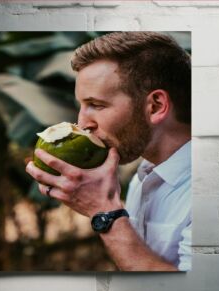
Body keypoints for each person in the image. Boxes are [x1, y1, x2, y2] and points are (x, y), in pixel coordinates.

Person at [26, 31, 191, 271]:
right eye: (82, 106)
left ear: (155, 106)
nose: (82, 123)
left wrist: (103, 211)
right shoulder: (141, 180)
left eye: (96, 105)